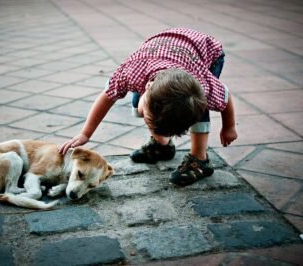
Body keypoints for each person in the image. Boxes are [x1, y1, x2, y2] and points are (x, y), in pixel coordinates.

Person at [59, 28, 238, 186]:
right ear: (147, 86)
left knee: (196, 108)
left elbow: (225, 95)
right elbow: (106, 97)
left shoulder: (203, 86)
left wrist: (229, 126)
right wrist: (85, 133)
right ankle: (163, 147)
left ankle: (200, 160)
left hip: (207, 54)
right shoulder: (130, 72)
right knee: (138, 103)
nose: (148, 123)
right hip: (166, 49)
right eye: (148, 120)